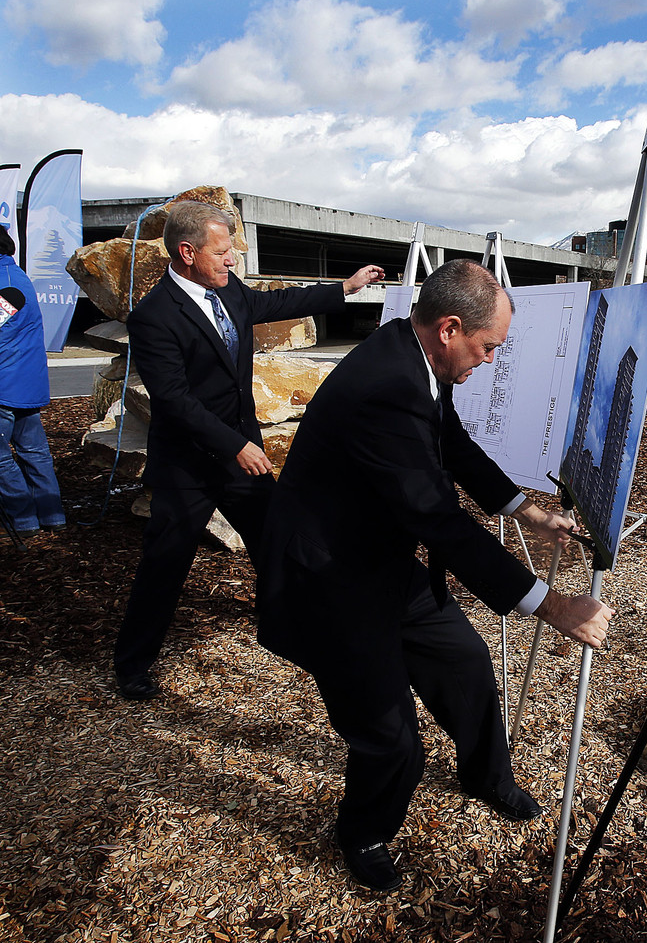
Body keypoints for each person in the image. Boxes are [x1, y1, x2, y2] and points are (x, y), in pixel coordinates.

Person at [257, 258, 612, 892]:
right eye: (488, 346)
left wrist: (525, 511)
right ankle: (363, 832)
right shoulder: (387, 386)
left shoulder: (414, 353)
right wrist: (553, 606)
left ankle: (485, 775)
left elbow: (451, 442)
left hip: (378, 559)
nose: (491, 360)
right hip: (328, 582)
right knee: (392, 739)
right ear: (449, 328)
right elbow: (435, 517)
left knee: (466, 663)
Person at [114, 201, 384, 701]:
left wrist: (343, 289)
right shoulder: (153, 317)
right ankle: (132, 665)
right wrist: (233, 444)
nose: (233, 259)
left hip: (242, 456)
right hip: (188, 467)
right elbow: (173, 400)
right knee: (165, 564)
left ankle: (293, 623)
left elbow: (274, 303)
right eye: (223, 251)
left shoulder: (229, 289)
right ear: (188, 252)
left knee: (276, 540)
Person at [0, 224, 66, 537]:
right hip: (23, 383)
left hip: (5, 384)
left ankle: (23, 519)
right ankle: (52, 516)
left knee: (2, 459)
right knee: (34, 452)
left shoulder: (7, 286)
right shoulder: (15, 277)